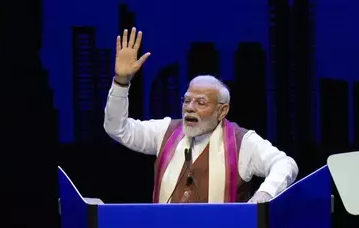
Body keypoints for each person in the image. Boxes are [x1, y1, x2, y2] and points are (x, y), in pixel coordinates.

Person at [104, 27, 298, 204]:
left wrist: (263, 197)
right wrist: (121, 81)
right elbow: (117, 129)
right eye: (187, 100)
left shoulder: (242, 143)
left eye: (201, 102)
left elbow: (285, 164)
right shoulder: (166, 131)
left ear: (222, 110)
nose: (190, 107)